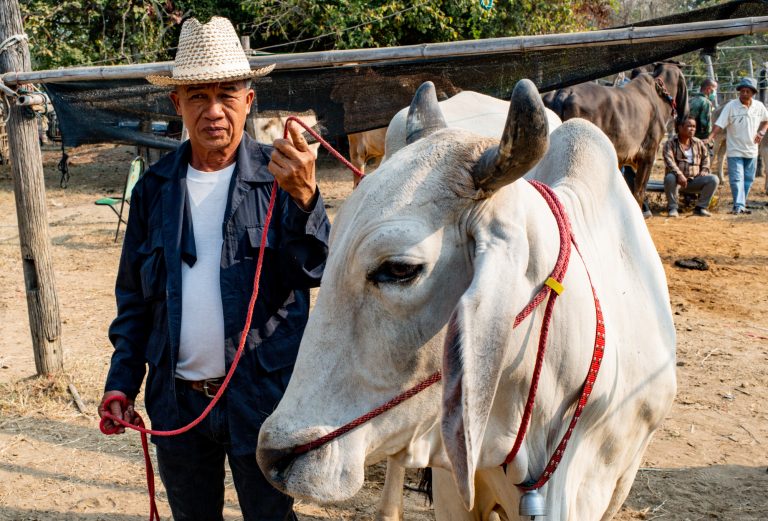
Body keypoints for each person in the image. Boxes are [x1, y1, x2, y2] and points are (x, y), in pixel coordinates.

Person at [97, 16, 330, 521]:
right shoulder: (154, 191)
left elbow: (314, 271)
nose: (214, 111)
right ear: (176, 103)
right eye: (198, 96)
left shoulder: (283, 179)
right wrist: (121, 383)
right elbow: (134, 300)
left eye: (227, 93)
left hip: (262, 399)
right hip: (177, 404)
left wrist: (308, 200)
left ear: (250, 99)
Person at [707, 77, 768, 214]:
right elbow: (719, 124)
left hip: (752, 150)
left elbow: (766, 121)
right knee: (736, 179)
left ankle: (741, 204)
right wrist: (710, 137)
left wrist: (762, 133)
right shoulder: (730, 106)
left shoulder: (759, 107)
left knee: (748, 180)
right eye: (742, 91)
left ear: (753, 93)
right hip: (735, 150)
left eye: (747, 91)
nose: (744, 93)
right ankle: (738, 205)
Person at [663, 116, 719, 217]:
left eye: (694, 126)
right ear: (680, 128)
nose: (692, 129)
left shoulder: (698, 142)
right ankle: (673, 208)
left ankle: (700, 208)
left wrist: (705, 169)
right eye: (689, 126)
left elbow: (706, 158)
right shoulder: (670, 143)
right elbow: (669, 161)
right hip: (677, 182)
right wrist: (679, 175)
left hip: (695, 180)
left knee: (713, 179)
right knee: (670, 177)